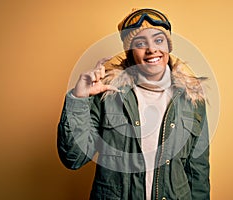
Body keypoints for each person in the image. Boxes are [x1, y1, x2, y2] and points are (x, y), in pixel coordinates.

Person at [58, 8, 210, 200]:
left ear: (168, 47)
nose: (152, 49)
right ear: (129, 52)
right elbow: (73, 158)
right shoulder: (107, 95)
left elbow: (198, 174)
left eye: (159, 40)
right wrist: (78, 99)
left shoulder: (191, 99)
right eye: (140, 43)